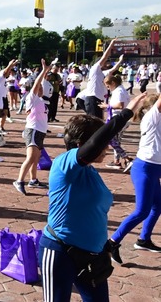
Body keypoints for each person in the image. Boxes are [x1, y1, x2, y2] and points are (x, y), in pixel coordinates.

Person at [39, 92, 147, 302]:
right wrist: (125, 113)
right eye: (103, 143)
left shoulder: (89, 171)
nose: (107, 147)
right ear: (82, 144)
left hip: (92, 256)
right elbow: (97, 141)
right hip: (61, 252)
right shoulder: (64, 164)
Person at [108, 93, 161, 264]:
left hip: (154, 168)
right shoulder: (153, 117)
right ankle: (112, 243)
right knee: (142, 210)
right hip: (144, 168)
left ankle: (144, 240)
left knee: (158, 205)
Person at [13, 59, 51, 195]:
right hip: (33, 130)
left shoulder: (40, 100)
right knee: (30, 158)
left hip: (40, 131)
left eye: (41, 88)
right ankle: (19, 181)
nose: (41, 89)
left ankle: (33, 180)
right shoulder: (32, 97)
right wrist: (44, 70)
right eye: (39, 88)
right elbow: (36, 84)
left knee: (36, 158)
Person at [100, 74, 132, 170]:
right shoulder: (120, 90)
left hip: (118, 118)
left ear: (113, 83)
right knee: (116, 140)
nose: (108, 88)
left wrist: (107, 106)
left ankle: (126, 158)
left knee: (111, 139)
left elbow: (120, 105)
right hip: (120, 118)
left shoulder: (119, 91)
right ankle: (117, 161)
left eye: (108, 86)